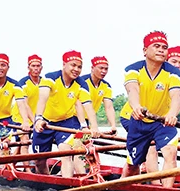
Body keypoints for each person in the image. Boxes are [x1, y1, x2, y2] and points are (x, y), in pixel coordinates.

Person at [122, 31, 180, 188]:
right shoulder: (132, 70)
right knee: (132, 166)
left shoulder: (173, 72)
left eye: (164, 47)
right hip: (139, 121)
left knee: (170, 153)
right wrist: (136, 107)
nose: (161, 50)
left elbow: (176, 96)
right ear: (144, 50)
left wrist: (171, 114)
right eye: (156, 46)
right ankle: (121, 190)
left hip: (163, 122)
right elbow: (132, 91)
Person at [33, 50, 101, 178]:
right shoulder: (50, 78)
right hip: (45, 122)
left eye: (79, 67)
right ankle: (46, 182)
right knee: (39, 162)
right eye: (73, 65)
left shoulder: (81, 84)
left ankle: (68, 186)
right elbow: (42, 98)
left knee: (66, 151)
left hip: (66, 122)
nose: (76, 69)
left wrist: (94, 127)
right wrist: (38, 119)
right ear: (64, 64)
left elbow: (88, 107)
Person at [11, 55, 43, 158]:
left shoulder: (44, 82)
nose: (36, 68)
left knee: (21, 146)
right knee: (25, 142)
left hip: (34, 118)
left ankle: (10, 163)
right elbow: (25, 105)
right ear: (28, 67)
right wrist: (35, 121)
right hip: (20, 117)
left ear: (41, 68)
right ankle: (27, 171)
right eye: (33, 66)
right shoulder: (23, 83)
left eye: (38, 66)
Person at [80, 56, 118, 132]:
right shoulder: (82, 82)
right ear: (92, 68)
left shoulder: (106, 86)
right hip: (73, 119)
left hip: (88, 120)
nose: (103, 71)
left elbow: (109, 107)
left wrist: (113, 126)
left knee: (86, 141)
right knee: (77, 142)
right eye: (101, 68)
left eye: (106, 69)